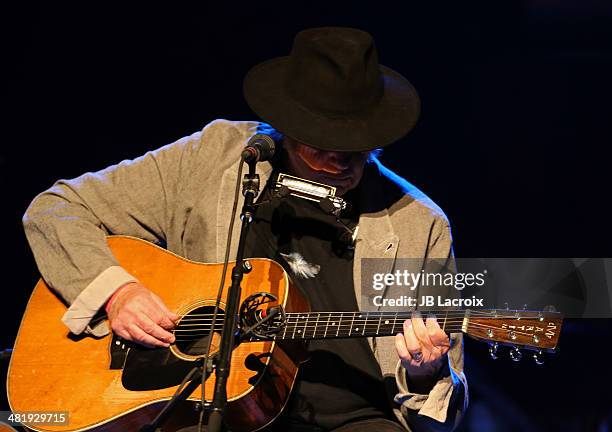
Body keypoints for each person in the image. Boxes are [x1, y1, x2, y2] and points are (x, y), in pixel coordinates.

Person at [22, 27, 467, 432]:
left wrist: (429, 372)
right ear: (292, 124)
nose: (343, 160)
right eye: (325, 141)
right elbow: (57, 209)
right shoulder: (218, 156)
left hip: (351, 421)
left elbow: (439, 417)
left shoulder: (417, 223)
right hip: (197, 406)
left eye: (358, 144)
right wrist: (118, 294)